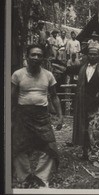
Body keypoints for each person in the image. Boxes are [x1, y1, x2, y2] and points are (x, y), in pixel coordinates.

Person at [11, 44, 63, 188]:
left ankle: (41, 177)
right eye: (33, 54)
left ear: (43, 58)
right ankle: (25, 177)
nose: (36, 57)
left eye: (39, 55)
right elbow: (11, 98)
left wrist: (60, 116)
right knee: (18, 146)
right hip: (22, 115)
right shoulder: (18, 75)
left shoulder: (48, 75)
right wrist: (9, 117)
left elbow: (54, 97)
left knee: (50, 146)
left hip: (42, 116)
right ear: (27, 57)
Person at [62, 47, 99, 160]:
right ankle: (85, 153)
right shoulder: (81, 68)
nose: (92, 56)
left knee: (95, 129)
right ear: (87, 55)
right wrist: (60, 67)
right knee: (83, 128)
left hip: (96, 105)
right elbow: (68, 69)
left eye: (95, 54)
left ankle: (95, 154)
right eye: (90, 54)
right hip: (83, 103)